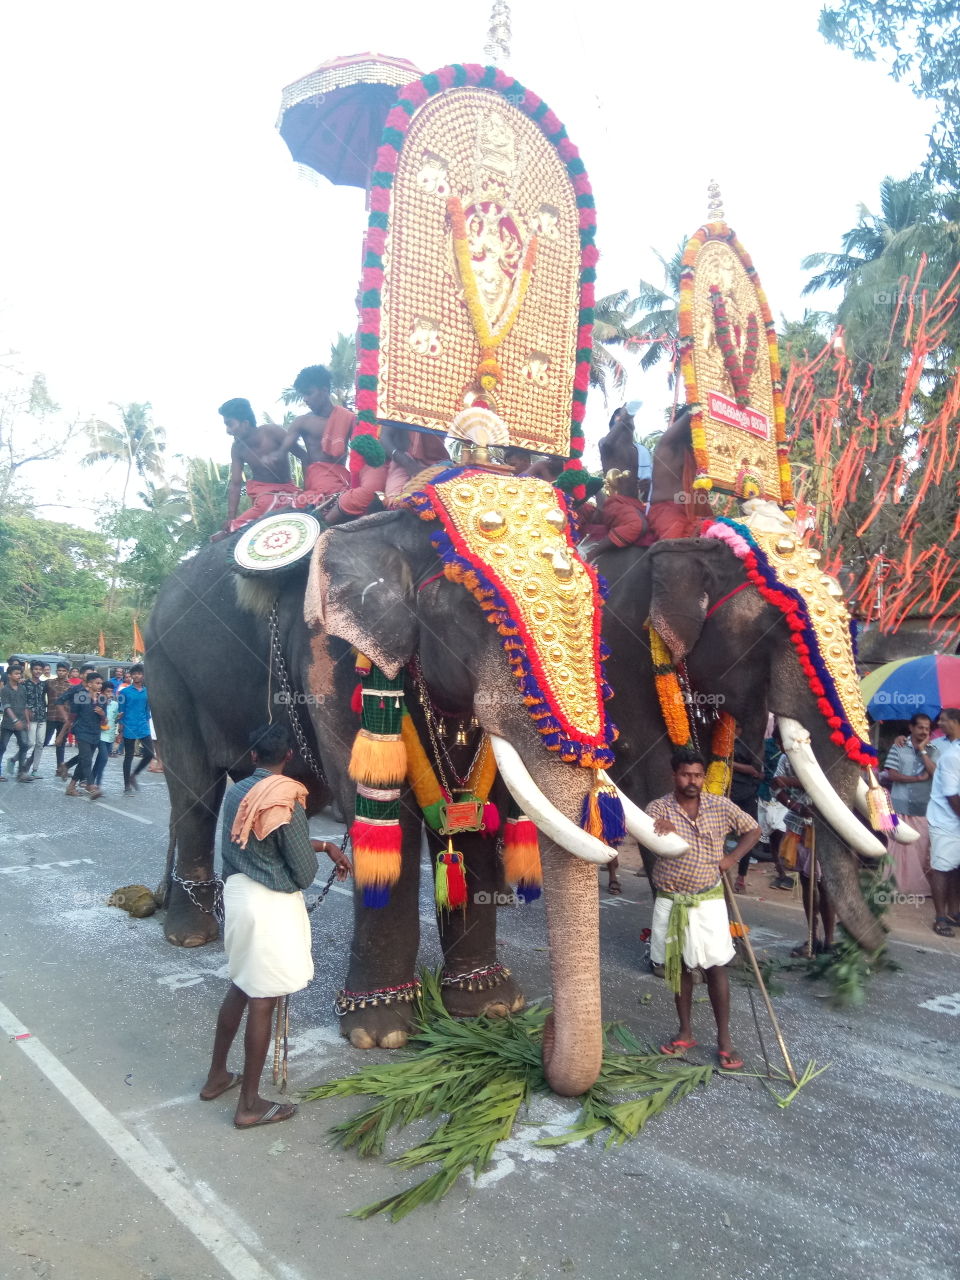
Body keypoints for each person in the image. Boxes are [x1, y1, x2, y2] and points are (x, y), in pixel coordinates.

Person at [199, 724, 352, 1128]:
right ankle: (249, 1105)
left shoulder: (237, 793)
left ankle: (217, 1076)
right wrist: (318, 853)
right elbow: (302, 874)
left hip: (238, 895)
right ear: (288, 758)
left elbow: (258, 840)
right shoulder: (288, 797)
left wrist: (324, 844)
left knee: (242, 983)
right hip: (270, 904)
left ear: (252, 757)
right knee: (263, 999)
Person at [646, 747, 760, 1069]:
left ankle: (725, 1040)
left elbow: (754, 829)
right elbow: (644, 834)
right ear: (674, 775)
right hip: (670, 898)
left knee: (715, 967)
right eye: (686, 774)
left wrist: (731, 859)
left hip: (708, 900)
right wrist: (658, 827)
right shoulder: (657, 808)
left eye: (697, 775)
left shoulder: (720, 805)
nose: (692, 780)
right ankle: (685, 1032)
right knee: (678, 968)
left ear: (703, 777)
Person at [282, 365, 387, 522]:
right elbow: (283, 448)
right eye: (303, 395)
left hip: (342, 476)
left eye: (309, 393)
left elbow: (362, 450)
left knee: (364, 497)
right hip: (317, 476)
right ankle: (323, 527)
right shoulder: (302, 421)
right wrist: (304, 457)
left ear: (324, 391)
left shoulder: (348, 418)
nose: (305, 399)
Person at [213, 397, 305, 539]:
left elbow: (303, 456)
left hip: (289, 489)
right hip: (264, 494)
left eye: (230, 424)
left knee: (310, 503)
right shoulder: (237, 449)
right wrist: (231, 518)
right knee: (266, 504)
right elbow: (236, 484)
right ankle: (231, 530)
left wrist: (309, 489)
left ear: (245, 423)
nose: (228, 431)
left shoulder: (272, 431)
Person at [772, 752, 835, 955]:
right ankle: (812, 938)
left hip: (829, 827)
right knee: (808, 884)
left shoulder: (827, 753)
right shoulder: (786, 758)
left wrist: (794, 781)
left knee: (825, 885)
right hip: (800, 826)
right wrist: (796, 806)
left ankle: (830, 942)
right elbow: (776, 785)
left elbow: (829, 782)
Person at [884, 712, 938, 896]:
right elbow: (891, 774)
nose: (924, 731)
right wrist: (916, 778)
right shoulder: (898, 747)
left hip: (923, 807)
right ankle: (894, 887)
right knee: (897, 848)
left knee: (920, 849)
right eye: (920, 727)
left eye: (927, 728)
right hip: (898, 806)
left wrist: (923, 750)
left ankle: (917, 889)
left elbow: (935, 773)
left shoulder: (933, 749)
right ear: (911, 728)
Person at [647, 405, 713, 541]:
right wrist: (699, 405)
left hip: (694, 513)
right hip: (666, 511)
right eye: (698, 422)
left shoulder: (698, 455)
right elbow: (691, 412)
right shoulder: (666, 445)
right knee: (676, 548)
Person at [925, 706, 960, 937]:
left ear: (956, 722)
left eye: (943, 721)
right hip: (945, 821)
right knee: (941, 867)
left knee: (955, 867)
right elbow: (951, 796)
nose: (939, 724)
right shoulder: (951, 756)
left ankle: (954, 913)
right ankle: (939, 918)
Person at [57, 670, 106, 798]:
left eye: (101, 683)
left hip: (95, 732)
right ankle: (90, 785)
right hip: (81, 731)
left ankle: (71, 784)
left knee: (83, 758)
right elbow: (72, 716)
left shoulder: (102, 699)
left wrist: (102, 714)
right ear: (89, 684)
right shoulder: (80, 696)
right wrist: (63, 733)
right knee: (87, 758)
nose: (100, 685)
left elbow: (105, 721)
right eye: (97, 683)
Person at [730, 730, 764, 893]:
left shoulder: (753, 745)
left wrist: (730, 764)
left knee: (749, 833)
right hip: (727, 793)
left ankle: (741, 876)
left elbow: (756, 770)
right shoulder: (725, 741)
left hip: (747, 794)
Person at [586, 470, 649, 557]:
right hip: (619, 506)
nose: (640, 483)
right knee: (637, 524)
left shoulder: (635, 502)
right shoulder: (614, 505)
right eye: (637, 480)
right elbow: (637, 525)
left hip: (636, 505)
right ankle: (590, 554)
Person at [381, 424, 449, 497]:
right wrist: (405, 461)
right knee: (393, 499)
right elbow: (385, 437)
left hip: (437, 463)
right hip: (403, 460)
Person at [118, 664, 153, 793]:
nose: (137, 675)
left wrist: (147, 724)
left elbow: (147, 710)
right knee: (129, 756)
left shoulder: (147, 691)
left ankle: (134, 775)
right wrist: (120, 730)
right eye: (134, 673)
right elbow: (120, 712)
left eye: (139, 673)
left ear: (143, 675)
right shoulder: (124, 692)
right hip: (128, 726)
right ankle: (127, 784)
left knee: (149, 754)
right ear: (131, 676)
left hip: (143, 726)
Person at [0, 665, 34, 782]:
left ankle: (21, 773)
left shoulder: (22, 688)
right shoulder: (5, 689)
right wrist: (15, 720)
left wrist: (27, 721)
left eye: (20, 673)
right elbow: (6, 706)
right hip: (8, 723)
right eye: (16, 673)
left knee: (24, 745)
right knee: (2, 747)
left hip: (22, 722)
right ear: (9, 675)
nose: (18, 675)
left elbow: (25, 706)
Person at [45, 662, 72, 777]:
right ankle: (28, 764)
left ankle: (59, 769)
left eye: (63, 671)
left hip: (64, 719)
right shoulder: (49, 683)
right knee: (43, 742)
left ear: (67, 672)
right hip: (51, 716)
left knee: (60, 744)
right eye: (59, 670)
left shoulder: (71, 687)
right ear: (56, 671)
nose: (61, 672)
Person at [92, 681, 120, 789]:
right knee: (104, 758)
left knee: (100, 759)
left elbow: (115, 720)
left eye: (111, 692)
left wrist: (118, 718)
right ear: (102, 692)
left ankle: (90, 780)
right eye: (108, 692)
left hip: (110, 735)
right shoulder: (98, 703)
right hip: (100, 735)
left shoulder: (115, 704)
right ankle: (98, 784)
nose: (110, 694)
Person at [23, 660, 48, 776]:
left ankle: (35, 770)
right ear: (31, 670)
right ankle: (16, 759)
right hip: (30, 717)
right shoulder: (24, 684)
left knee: (40, 743)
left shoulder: (44, 684)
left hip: (42, 717)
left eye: (40, 669)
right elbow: (23, 702)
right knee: (30, 743)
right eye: (36, 669)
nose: (38, 671)